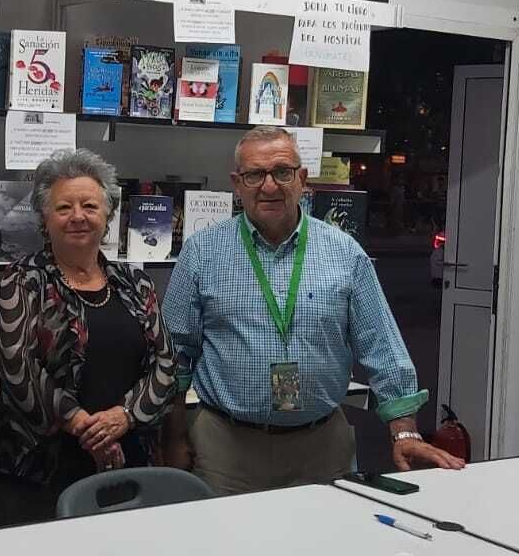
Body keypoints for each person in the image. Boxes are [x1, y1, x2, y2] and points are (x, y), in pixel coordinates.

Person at [162, 126, 465, 496]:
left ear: (302, 179)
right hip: (226, 448)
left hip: (322, 448)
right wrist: (174, 439)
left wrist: (404, 431)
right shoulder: (202, 253)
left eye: (282, 172)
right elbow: (175, 359)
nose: (269, 186)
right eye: (255, 174)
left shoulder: (344, 252)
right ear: (237, 184)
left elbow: (382, 346)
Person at [0, 148, 178, 526]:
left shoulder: (135, 283)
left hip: (127, 457)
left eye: (89, 206)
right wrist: (86, 428)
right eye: (63, 208)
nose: (77, 217)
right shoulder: (20, 280)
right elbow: (15, 366)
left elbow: (165, 361)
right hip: (39, 470)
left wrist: (123, 417)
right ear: (44, 217)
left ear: (108, 215)